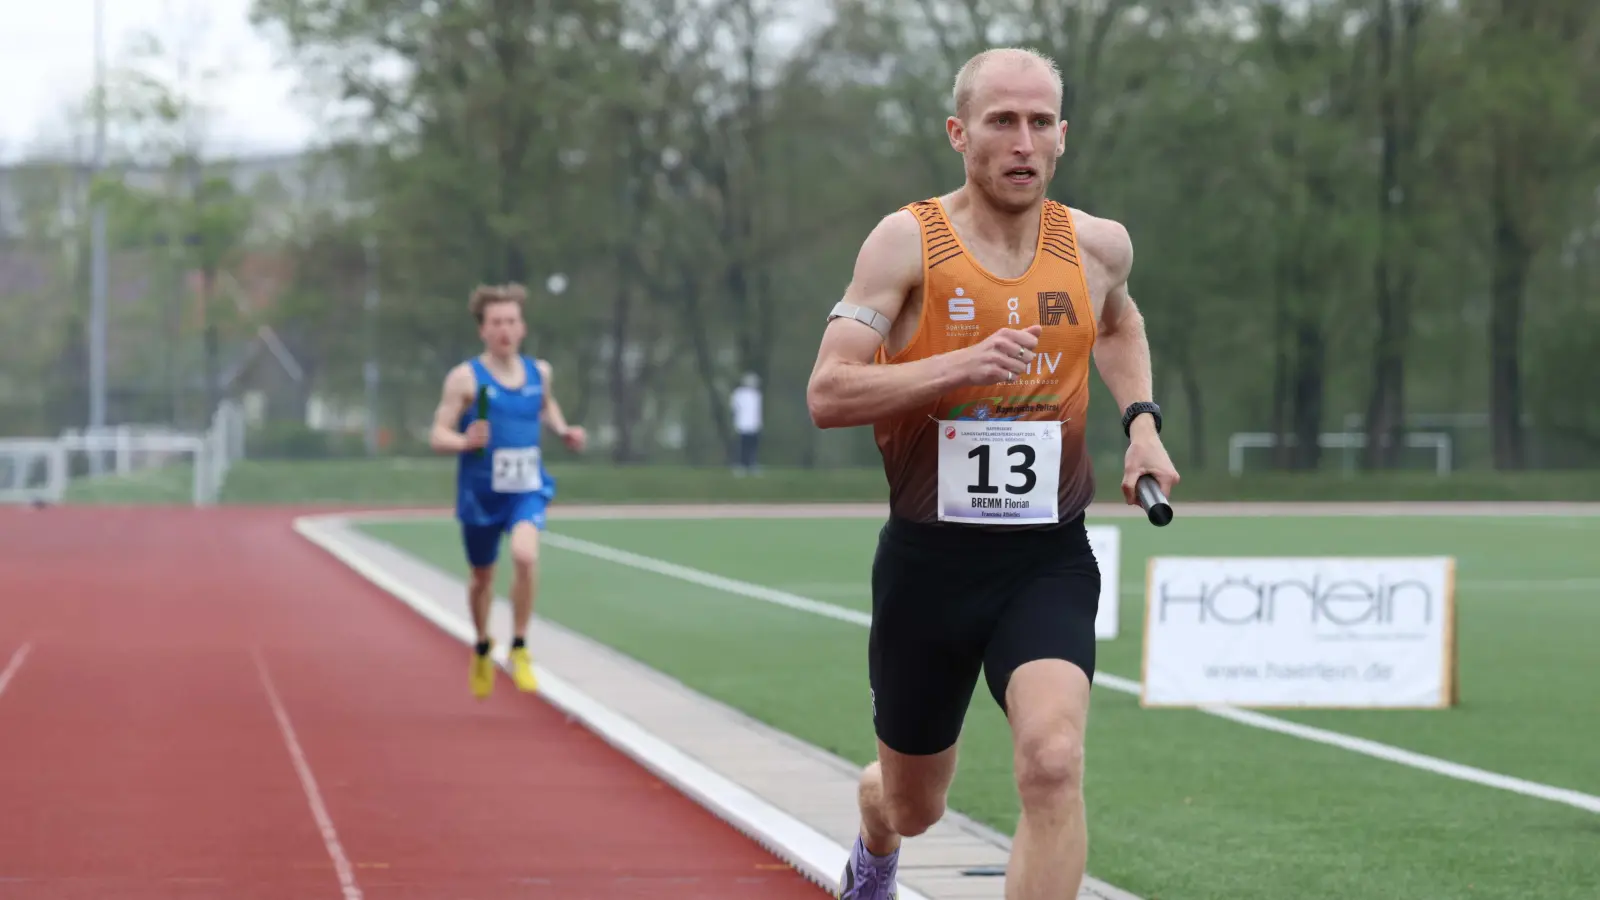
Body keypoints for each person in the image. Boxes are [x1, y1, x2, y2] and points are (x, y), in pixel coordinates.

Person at [805, 47, 1179, 900]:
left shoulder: (1098, 246)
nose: (1022, 140)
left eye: (1040, 122)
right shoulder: (908, 243)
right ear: (958, 133)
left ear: (1062, 137)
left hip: (1044, 558)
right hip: (929, 566)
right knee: (914, 804)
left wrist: (1143, 427)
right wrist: (954, 368)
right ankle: (875, 829)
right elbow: (828, 392)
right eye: (1001, 121)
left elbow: (1118, 327)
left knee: (1052, 763)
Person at [429, 282, 587, 699]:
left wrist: (563, 429)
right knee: (482, 577)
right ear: (482, 330)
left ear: (523, 328)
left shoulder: (540, 372)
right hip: (481, 494)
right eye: (496, 322)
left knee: (524, 554)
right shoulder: (465, 378)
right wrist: (465, 442)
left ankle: (519, 646)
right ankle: (483, 644)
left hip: (526, 488)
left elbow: (545, 405)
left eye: (512, 321)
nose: (505, 330)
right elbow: (437, 434)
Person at [729, 372, 763, 475]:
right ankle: (741, 465)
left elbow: (757, 411)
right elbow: (734, 408)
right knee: (742, 446)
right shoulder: (739, 394)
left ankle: (751, 464)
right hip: (742, 425)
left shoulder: (757, 395)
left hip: (753, 425)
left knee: (752, 446)